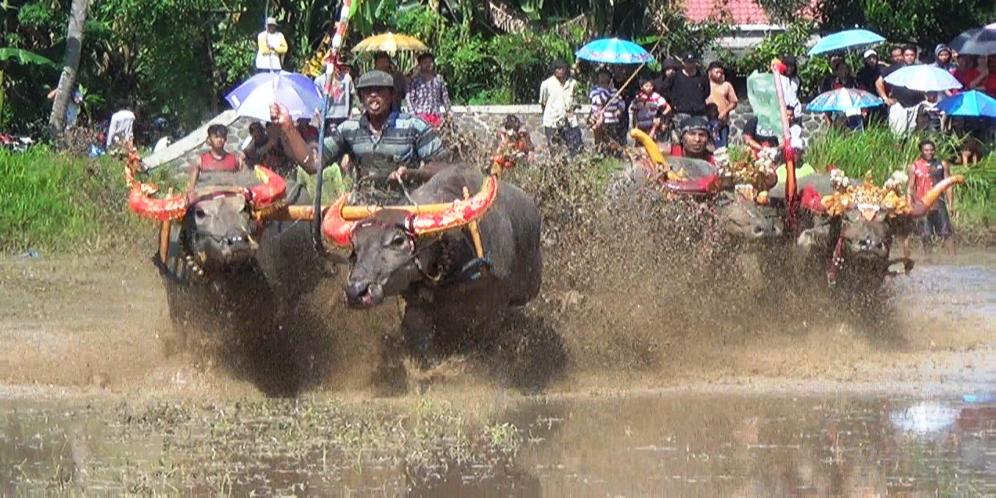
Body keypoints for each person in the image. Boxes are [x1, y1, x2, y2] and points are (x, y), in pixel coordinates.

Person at [273, 69, 443, 205]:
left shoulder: (414, 126)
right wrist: (288, 128)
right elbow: (313, 163)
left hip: (406, 206)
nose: (373, 95)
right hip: (363, 210)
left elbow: (443, 165)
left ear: (392, 96)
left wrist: (413, 174)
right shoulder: (349, 129)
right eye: (368, 91)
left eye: (380, 90)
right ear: (361, 98)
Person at [907, 139, 954, 253]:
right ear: (921, 151)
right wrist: (909, 205)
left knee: (946, 233)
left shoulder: (942, 165)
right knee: (925, 235)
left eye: (931, 150)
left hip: (939, 204)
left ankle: (953, 260)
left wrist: (951, 204)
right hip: (922, 205)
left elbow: (948, 185)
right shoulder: (914, 167)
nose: (929, 152)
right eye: (926, 150)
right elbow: (910, 187)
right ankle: (928, 260)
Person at [539, 61, 582, 156]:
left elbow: (577, 99)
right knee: (555, 150)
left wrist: (573, 107)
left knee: (576, 148)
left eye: (562, 68)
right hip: (552, 121)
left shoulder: (573, 83)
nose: (560, 71)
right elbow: (543, 103)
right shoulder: (546, 84)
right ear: (554, 70)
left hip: (570, 121)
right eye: (558, 69)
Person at [878, 45, 924, 135]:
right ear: (903, 56)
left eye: (912, 55)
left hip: (916, 104)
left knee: (913, 134)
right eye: (907, 55)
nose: (909, 57)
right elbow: (879, 82)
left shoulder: (920, 69)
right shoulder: (894, 68)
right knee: (898, 134)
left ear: (915, 56)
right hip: (898, 104)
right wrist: (885, 98)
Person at [660, 52, 710, 130]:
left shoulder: (702, 76)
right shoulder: (675, 76)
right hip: (681, 112)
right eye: (688, 63)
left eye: (692, 62)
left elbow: (707, 92)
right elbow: (664, 90)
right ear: (683, 63)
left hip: (699, 113)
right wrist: (672, 102)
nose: (690, 65)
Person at [190, 124, 245, 189]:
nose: (219, 140)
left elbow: (243, 184)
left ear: (225, 139)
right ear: (209, 139)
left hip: (231, 196)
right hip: (208, 196)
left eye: (222, 137)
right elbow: (192, 189)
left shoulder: (235, 160)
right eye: (216, 137)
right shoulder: (201, 160)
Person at [407, 53, 451, 127]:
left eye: (430, 62)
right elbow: (409, 98)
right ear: (420, 64)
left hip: (436, 115)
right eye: (425, 62)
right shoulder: (415, 80)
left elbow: (445, 96)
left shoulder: (438, 79)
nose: (428, 64)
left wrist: (448, 111)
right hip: (420, 116)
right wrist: (413, 114)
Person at [588, 67, 627, 152]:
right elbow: (599, 101)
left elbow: (621, 102)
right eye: (601, 75)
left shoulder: (614, 91)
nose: (603, 78)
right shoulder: (595, 90)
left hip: (612, 121)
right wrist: (607, 91)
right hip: (600, 122)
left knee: (612, 143)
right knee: (600, 143)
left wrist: (619, 110)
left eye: (605, 76)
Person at [705, 61, 738, 148]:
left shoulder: (726, 85)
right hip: (706, 122)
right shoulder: (704, 84)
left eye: (721, 73)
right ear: (710, 72)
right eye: (717, 72)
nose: (719, 75)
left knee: (722, 149)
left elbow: (734, 102)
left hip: (721, 123)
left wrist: (725, 111)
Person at [629, 78, 669, 145]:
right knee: (640, 145)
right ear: (641, 87)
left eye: (651, 86)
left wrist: (660, 117)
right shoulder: (638, 97)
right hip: (641, 124)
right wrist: (635, 126)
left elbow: (668, 108)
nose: (649, 88)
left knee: (652, 143)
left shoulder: (656, 96)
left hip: (653, 125)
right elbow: (634, 113)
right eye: (646, 86)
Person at [315, 63, 356, 129]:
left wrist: (350, 113)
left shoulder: (347, 79)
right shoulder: (319, 81)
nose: (338, 68)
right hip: (327, 118)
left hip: (343, 117)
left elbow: (351, 96)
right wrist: (319, 118)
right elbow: (316, 101)